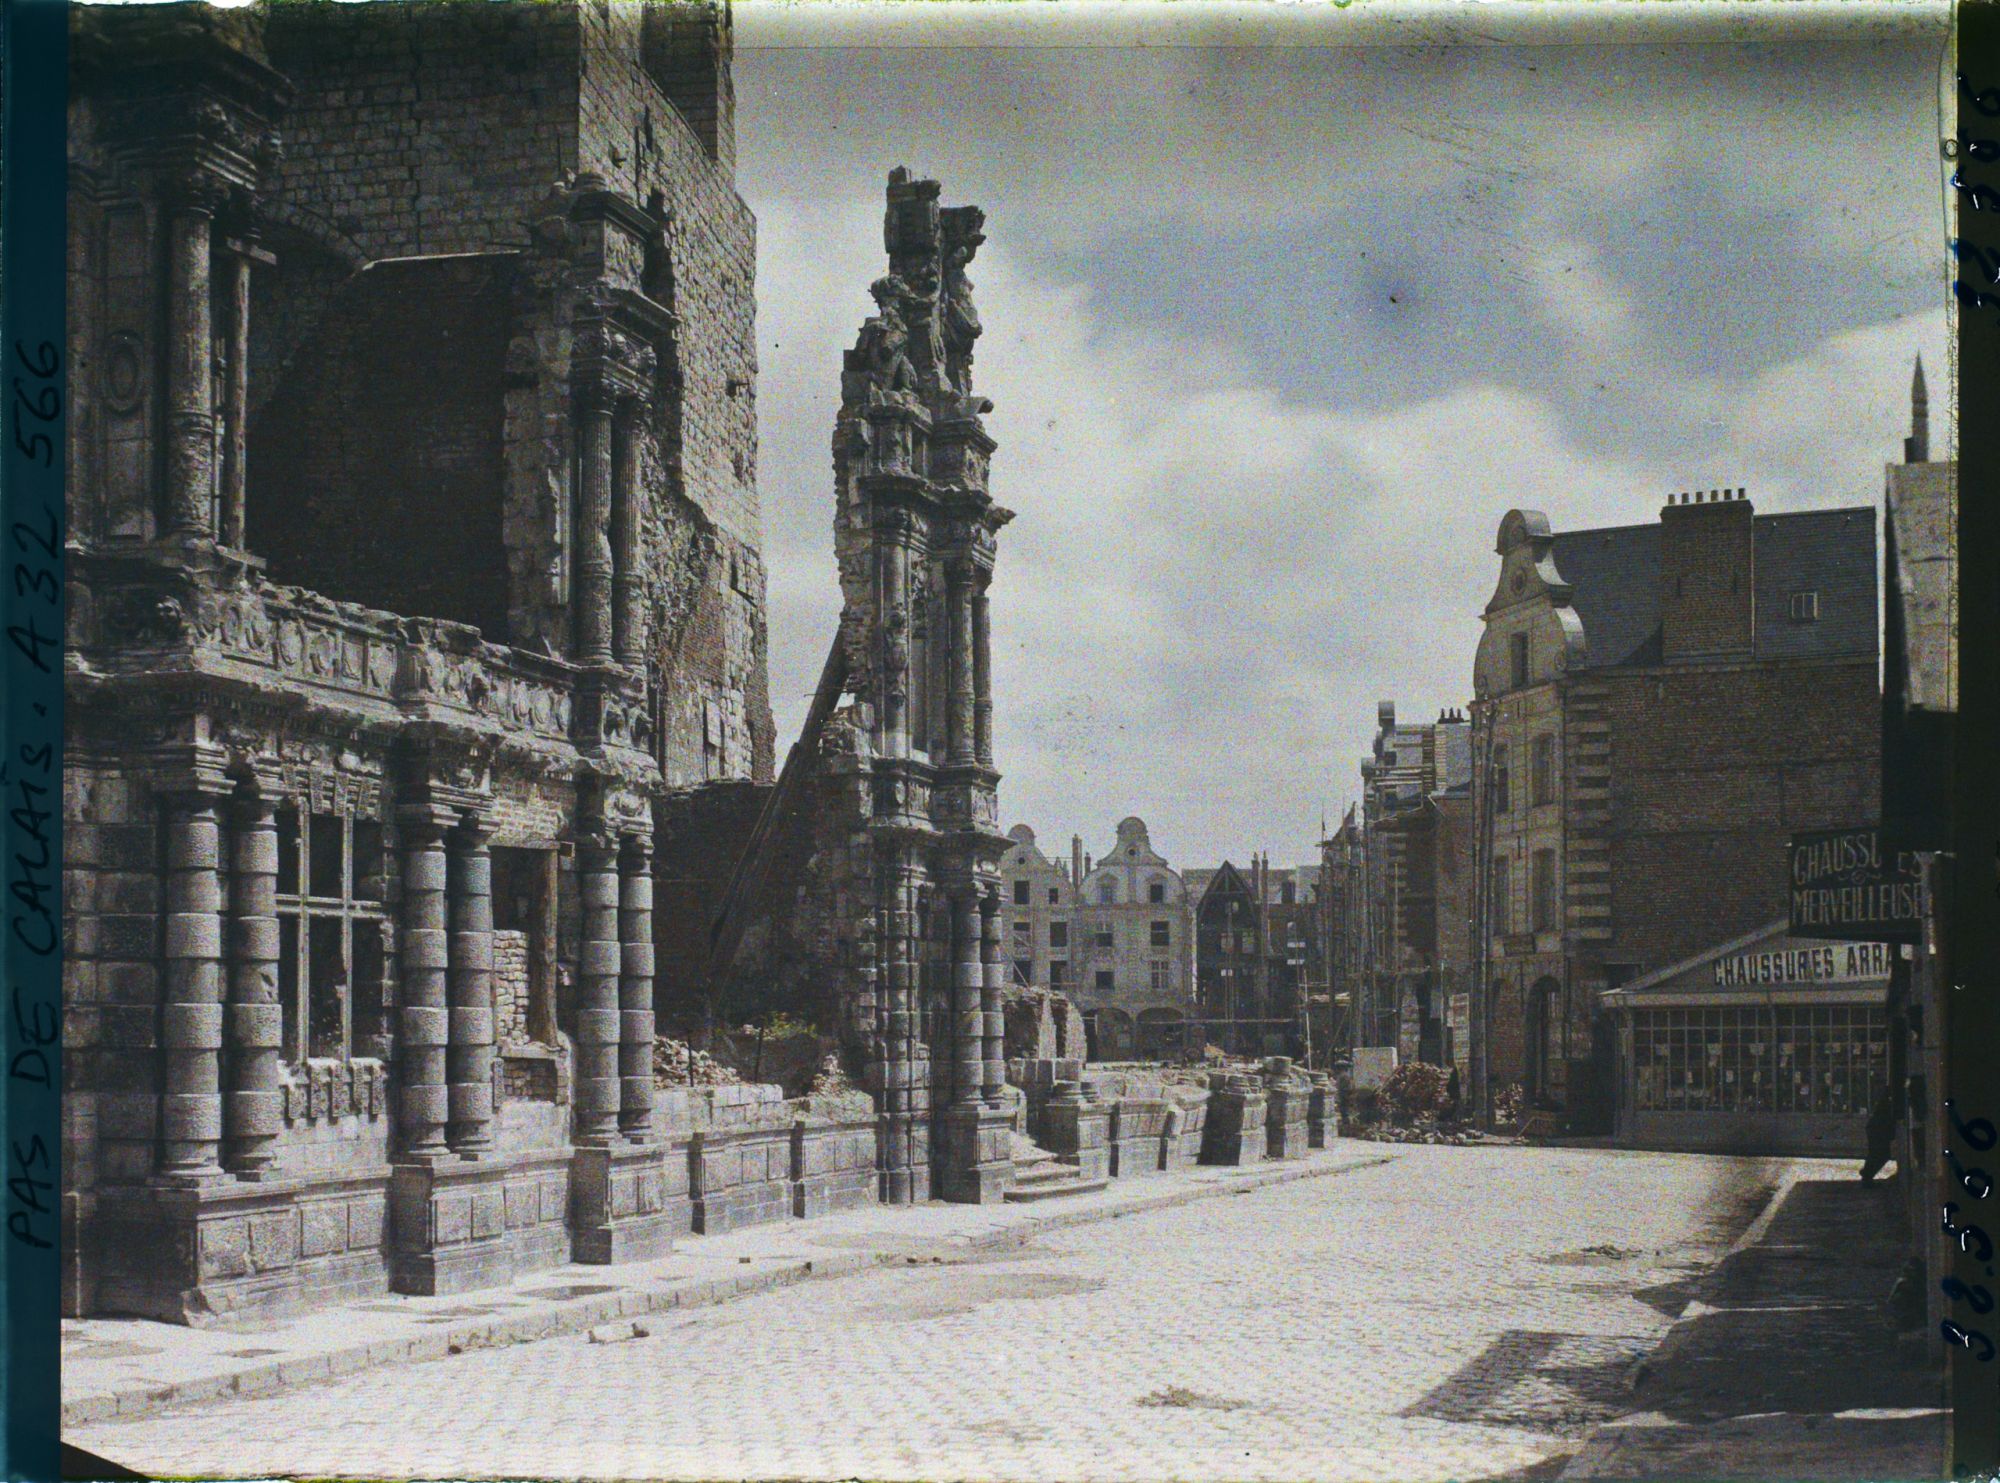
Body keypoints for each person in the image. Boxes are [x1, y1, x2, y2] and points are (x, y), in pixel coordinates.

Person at [1861, 1088, 1895, 1182]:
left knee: (1876, 1154)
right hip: (1878, 1130)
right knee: (1879, 1154)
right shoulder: (1888, 1102)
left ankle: (1867, 1174)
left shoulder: (1887, 1101)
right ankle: (1867, 1175)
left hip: (1877, 1129)